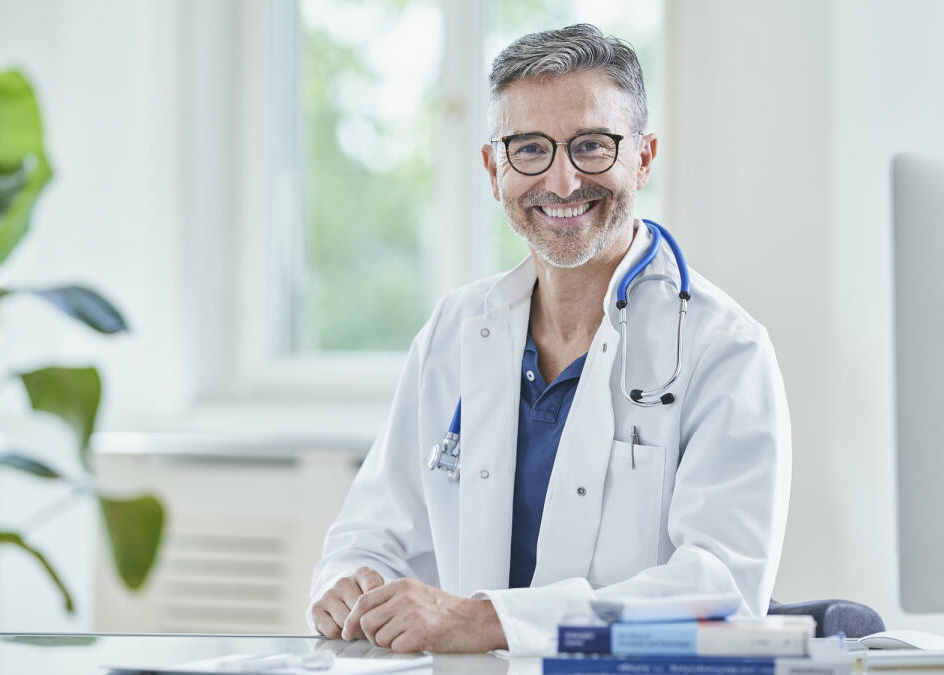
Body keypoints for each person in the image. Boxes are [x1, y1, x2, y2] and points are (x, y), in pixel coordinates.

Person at [307, 24, 791, 655]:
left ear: (643, 156)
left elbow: (722, 596)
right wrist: (348, 583)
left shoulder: (723, 349)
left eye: (592, 146)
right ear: (493, 167)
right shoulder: (455, 332)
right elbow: (373, 533)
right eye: (529, 149)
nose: (562, 183)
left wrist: (491, 622)